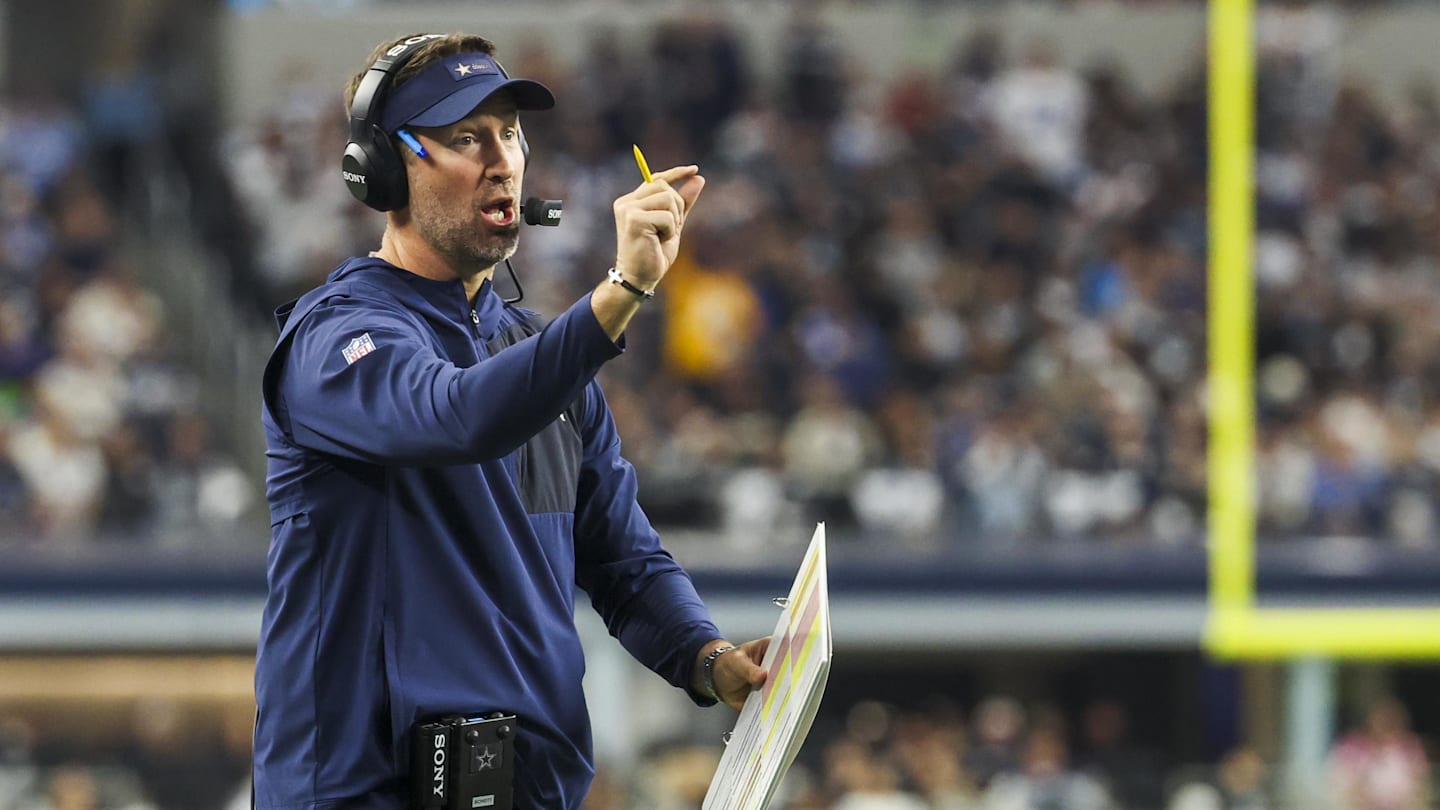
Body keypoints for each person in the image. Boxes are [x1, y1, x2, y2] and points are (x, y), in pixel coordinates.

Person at [251, 32, 770, 810]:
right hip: (364, 793)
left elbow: (623, 562)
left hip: (521, 792)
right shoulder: (333, 340)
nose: (503, 160)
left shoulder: (545, 360)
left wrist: (708, 656)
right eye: (466, 138)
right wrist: (621, 290)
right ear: (384, 168)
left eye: (511, 133)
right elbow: (455, 414)